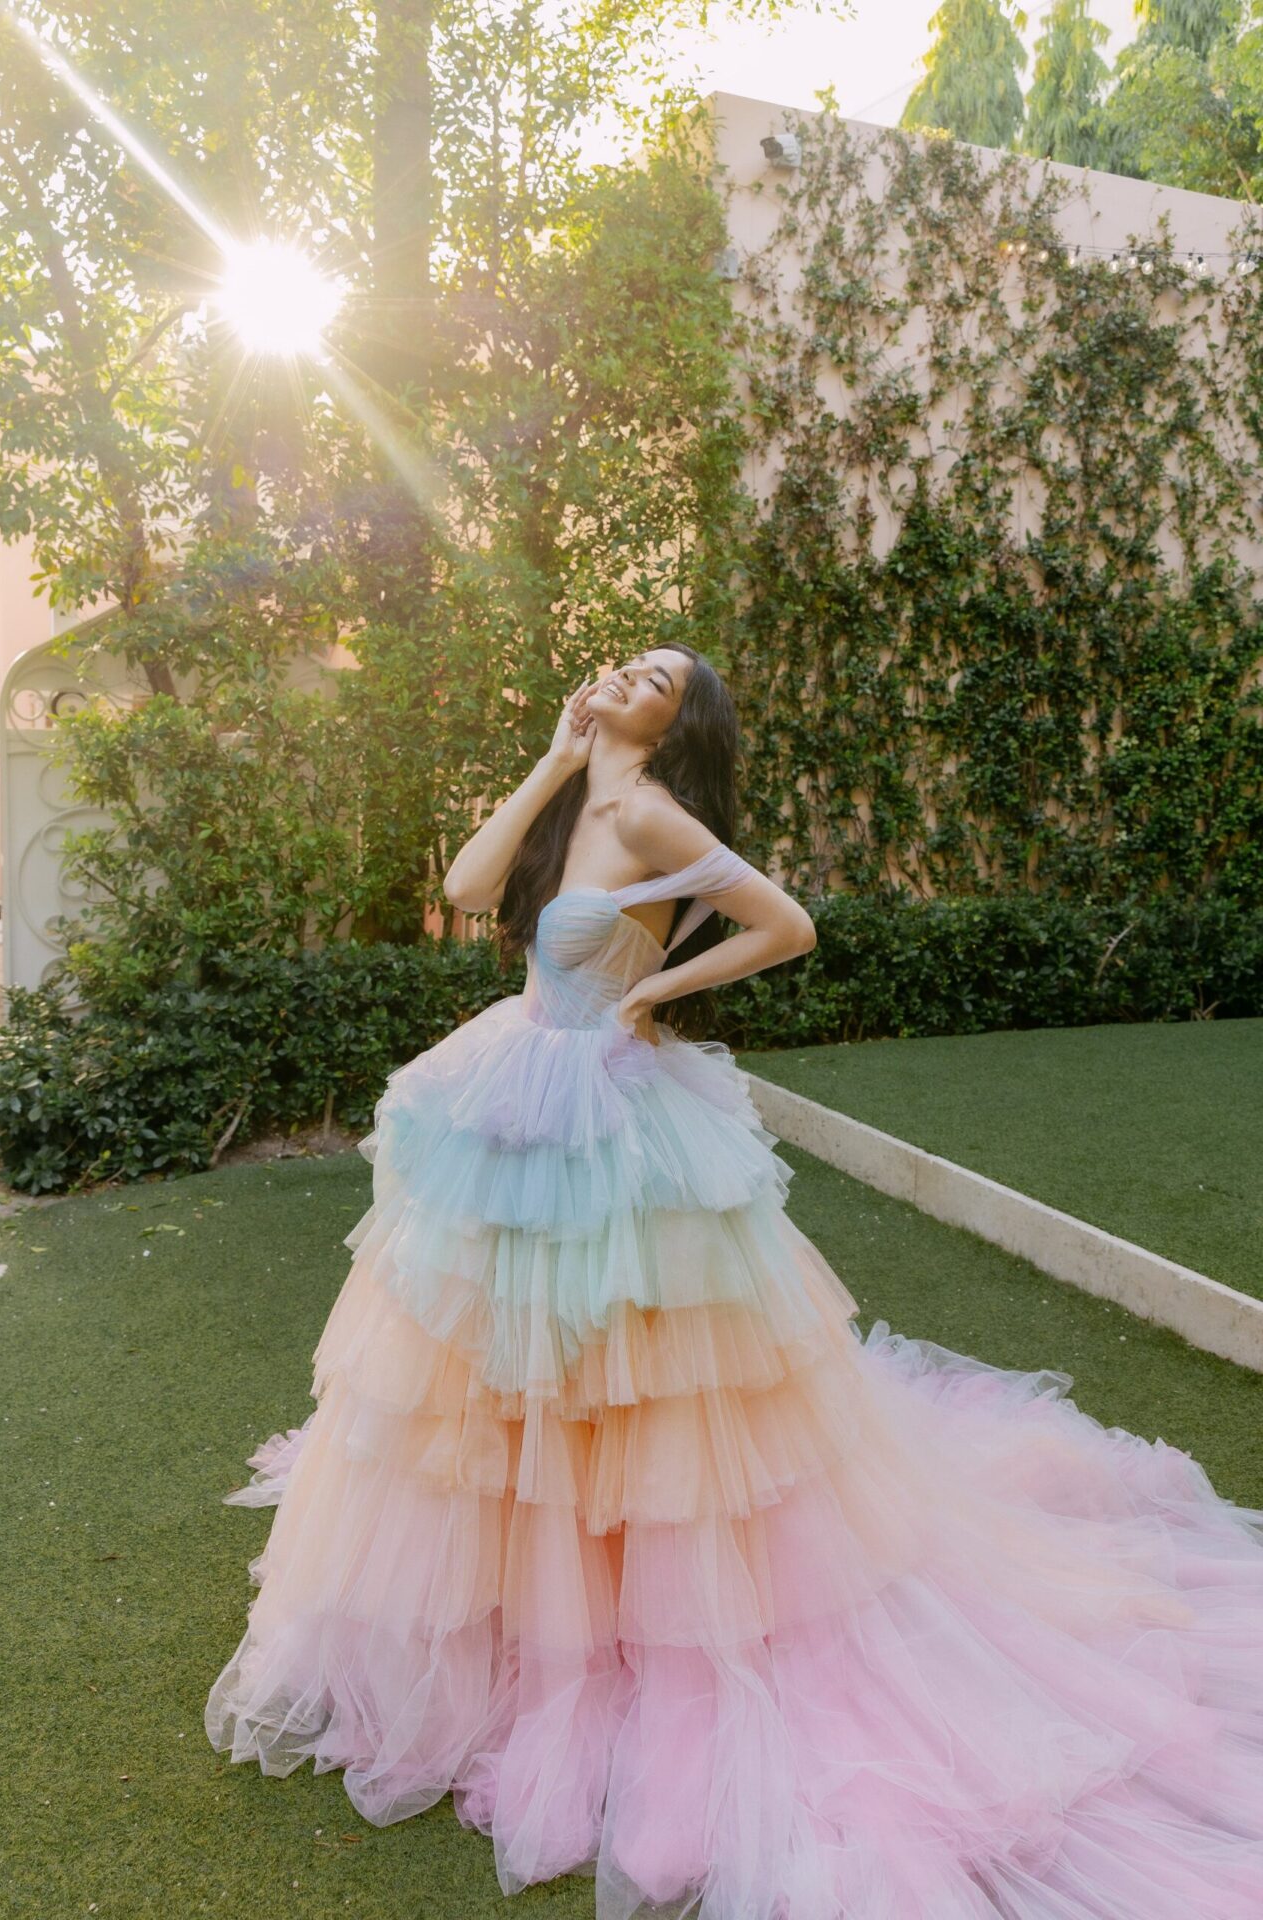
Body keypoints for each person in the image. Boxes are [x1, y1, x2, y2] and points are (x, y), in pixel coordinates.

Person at [206, 643, 1263, 1920]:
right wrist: (552, 757)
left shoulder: (651, 809)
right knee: (506, 1363)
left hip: (604, 1104)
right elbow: (468, 881)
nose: (621, 671)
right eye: (618, 660)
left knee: (634, 1377)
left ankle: (634, 1615)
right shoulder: (586, 794)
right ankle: (536, 1593)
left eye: (653, 672)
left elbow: (786, 925)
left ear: (678, 719)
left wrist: (651, 989)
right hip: (514, 1088)